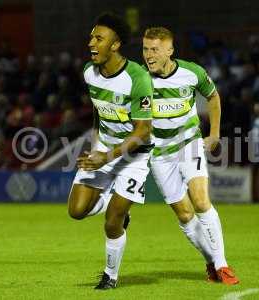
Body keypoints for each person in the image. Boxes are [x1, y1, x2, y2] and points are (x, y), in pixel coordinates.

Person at [142, 27, 239, 285]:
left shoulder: (192, 72)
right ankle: (210, 261)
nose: (148, 55)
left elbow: (213, 97)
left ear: (169, 50)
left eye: (154, 49)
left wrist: (215, 133)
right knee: (185, 215)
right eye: (145, 49)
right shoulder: (139, 80)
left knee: (200, 200)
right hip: (159, 154)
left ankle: (223, 265)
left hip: (189, 144)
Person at [68, 13, 153, 289]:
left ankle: (110, 275)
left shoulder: (138, 78)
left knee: (111, 222)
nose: (91, 43)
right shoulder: (89, 73)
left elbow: (143, 132)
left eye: (98, 38)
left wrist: (107, 156)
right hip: (104, 148)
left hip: (134, 155)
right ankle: (113, 202)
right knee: (77, 210)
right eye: (91, 37)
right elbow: (97, 109)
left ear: (115, 45)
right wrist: (96, 147)